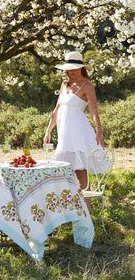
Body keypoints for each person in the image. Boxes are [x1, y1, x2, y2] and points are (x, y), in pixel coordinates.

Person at [43, 51, 105, 213]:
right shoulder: (64, 84)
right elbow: (57, 110)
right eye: (69, 69)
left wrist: (99, 132)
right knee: (62, 170)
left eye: (76, 68)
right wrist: (48, 131)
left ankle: (88, 213)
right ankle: (68, 211)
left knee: (81, 171)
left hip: (78, 132)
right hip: (64, 134)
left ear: (82, 68)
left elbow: (94, 111)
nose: (72, 71)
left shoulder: (87, 86)